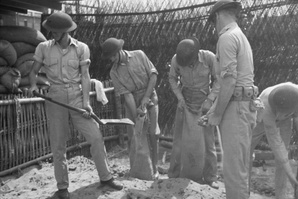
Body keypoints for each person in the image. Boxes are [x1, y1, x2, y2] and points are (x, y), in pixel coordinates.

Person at [29, 12, 123, 199]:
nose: (53, 34)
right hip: (55, 96)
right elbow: (33, 71)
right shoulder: (43, 48)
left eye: (57, 31)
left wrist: (87, 103)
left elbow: (85, 76)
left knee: (95, 136)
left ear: (66, 31)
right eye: (52, 31)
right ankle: (62, 188)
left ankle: (106, 178)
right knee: (58, 144)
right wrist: (33, 86)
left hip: (77, 96)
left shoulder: (81, 48)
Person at [204, 1, 259, 198]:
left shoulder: (227, 38)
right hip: (242, 104)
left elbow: (228, 82)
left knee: (234, 170)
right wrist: (214, 111)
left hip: (236, 107)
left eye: (214, 22)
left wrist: (217, 114)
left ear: (218, 17)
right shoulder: (240, 36)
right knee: (240, 165)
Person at [100, 37, 160, 179]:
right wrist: (137, 117)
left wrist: (146, 99)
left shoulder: (139, 54)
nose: (112, 59)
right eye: (110, 58)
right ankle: (139, 170)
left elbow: (153, 76)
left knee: (153, 133)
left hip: (150, 95)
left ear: (119, 50)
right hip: (132, 101)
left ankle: (155, 168)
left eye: (113, 55)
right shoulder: (114, 73)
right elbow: (127, 96)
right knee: (135, 134)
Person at [168, 37, 219, 189]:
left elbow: (218, 81)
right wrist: (180, 98)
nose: (188, 65)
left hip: (204, 101)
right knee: (178, 139)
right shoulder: (176, 60)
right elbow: (172, 78)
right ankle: (174, 174)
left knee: (208, 142)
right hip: (185, 101)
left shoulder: (209, 57)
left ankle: (211, 177)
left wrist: (209, 100)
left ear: (196, 54)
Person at [250, 82, 298, 199]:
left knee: (283, 157)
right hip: (262, 120)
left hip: (287, 118)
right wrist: (291, 176)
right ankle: (243, 191)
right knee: (246, 150)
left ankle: (281, 196)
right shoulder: (266, 106)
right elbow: (275, 142)